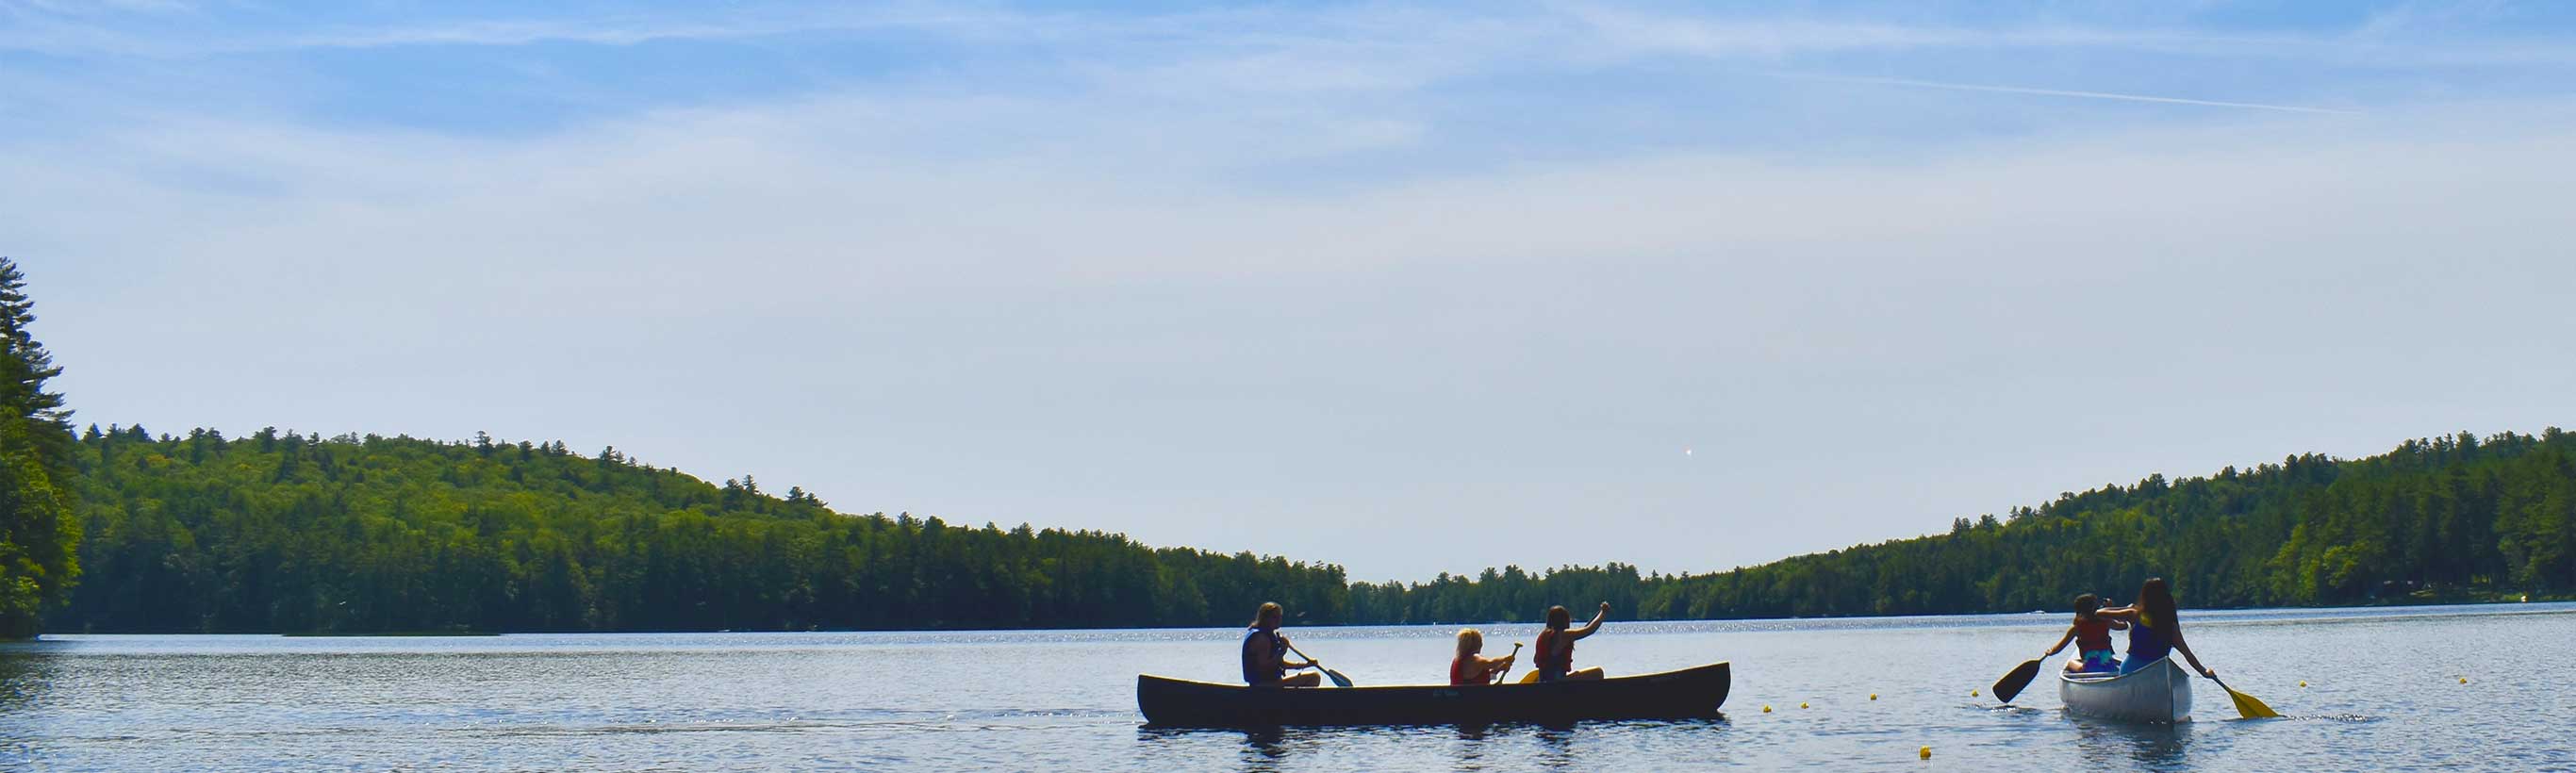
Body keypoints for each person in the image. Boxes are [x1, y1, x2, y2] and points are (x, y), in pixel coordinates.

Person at [2093, 578, 2216, 679]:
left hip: (2130, 670)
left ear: (2144, 597)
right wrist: (2204, 671)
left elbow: (2099, 613)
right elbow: (2187, 654)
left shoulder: (2134, 615)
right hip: (2157, 675)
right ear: (2166, 598)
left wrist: (2126, 608)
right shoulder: (2169, 625)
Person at [1241, 601, 1323, 687]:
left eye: (1280, 616)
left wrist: (1306, 665)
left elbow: (1281, 664)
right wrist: (1282, 651)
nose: (1278, 620)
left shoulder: (1269, 635)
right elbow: (1264, 667)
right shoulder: (1262, 638)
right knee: (1314, 677)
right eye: (1274, 617)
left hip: (1272, 683)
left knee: (1313, 676)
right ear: (1265, 618)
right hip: (1263, 685)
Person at [2042, 593, 2125, 673]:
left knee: (2071, 662)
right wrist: (2112, 610)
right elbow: (2123, 626)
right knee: (2106, 660)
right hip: (2109, 665)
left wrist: (2050, 652)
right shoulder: (2107, 622)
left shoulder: (2077, 627)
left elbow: (2058, 648)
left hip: (2089, 667)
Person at [1532, 601, 1610, 682]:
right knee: (1598, 672)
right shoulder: (1563, 635)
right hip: (1556, 683)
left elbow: (1535, 659)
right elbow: (1589, 630)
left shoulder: (1543, 636)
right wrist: (1603, 613)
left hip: (1543, 680)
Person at [1449, 629, 1518, 686]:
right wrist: (1505, 659)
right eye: (1481, 643)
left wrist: (1499, 669)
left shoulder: (1457, 660)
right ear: (1478, 644)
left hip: (1460, 697)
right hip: (1472, 698)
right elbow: (1491, 663)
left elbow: (1486, 678)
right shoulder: (1475, 659)